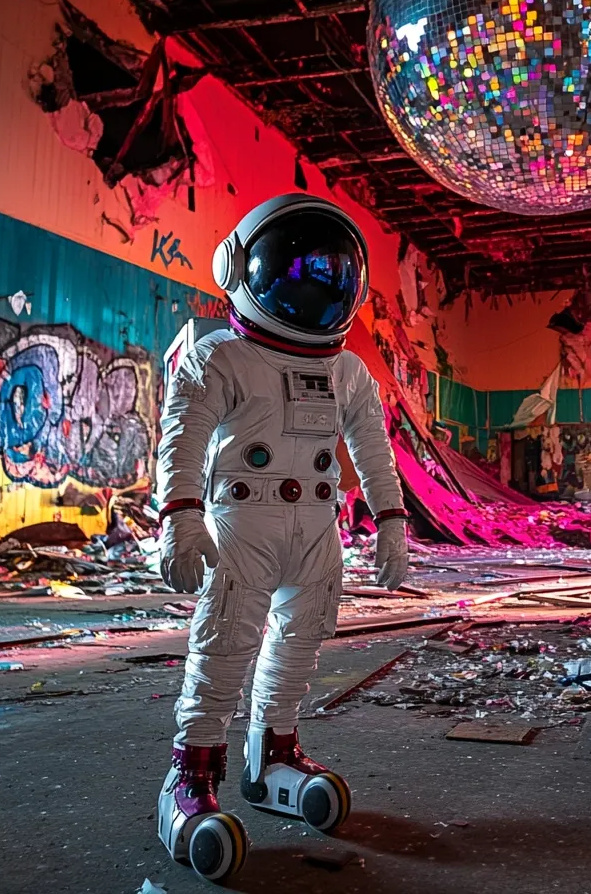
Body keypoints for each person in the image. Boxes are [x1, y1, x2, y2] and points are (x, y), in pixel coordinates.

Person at [155, 194, 409, 881]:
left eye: (331, 273)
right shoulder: (222, 359)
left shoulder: (348, 370)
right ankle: (189, 777)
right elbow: (182, 441)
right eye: (296, 268)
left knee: (300, 643)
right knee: (226, 643)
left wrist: (391, 519)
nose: (315, 285)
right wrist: (179, 515)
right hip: (241, 522)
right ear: (239, 266)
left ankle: (272, 757)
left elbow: (373, 451)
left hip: (316, 529)